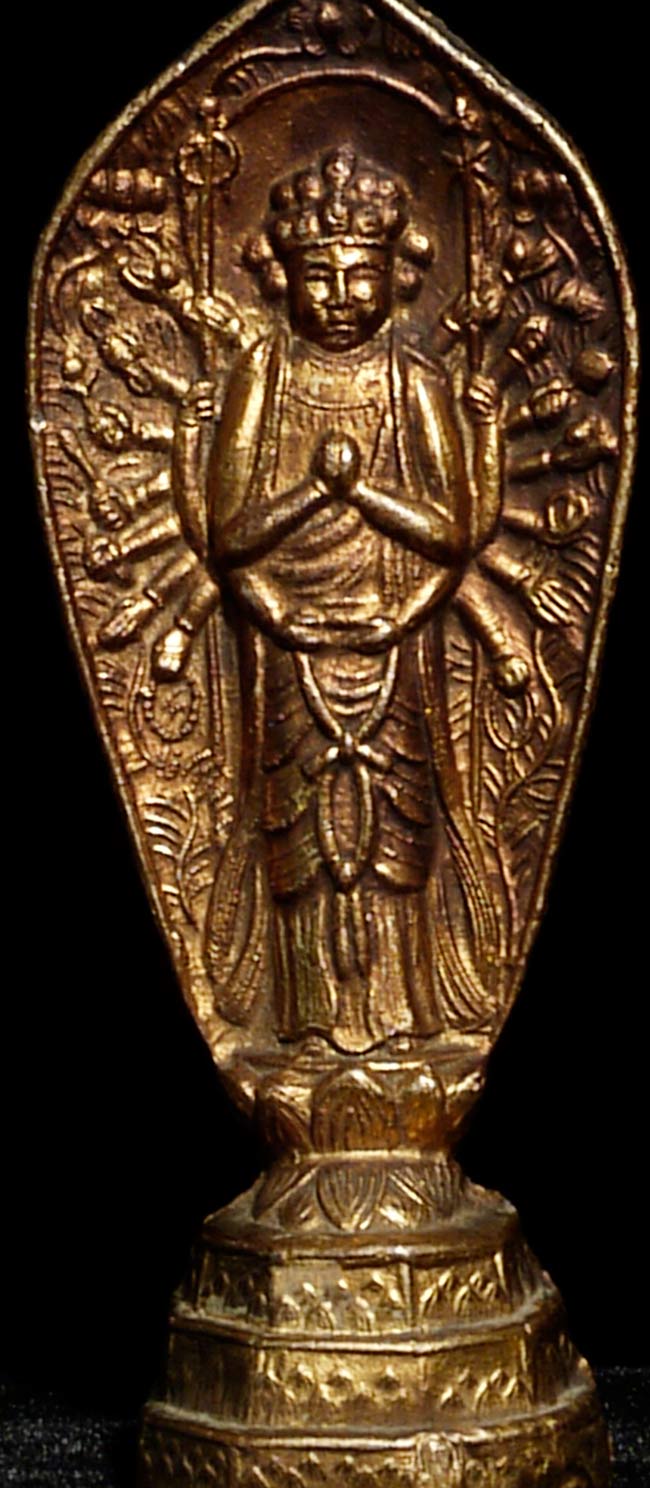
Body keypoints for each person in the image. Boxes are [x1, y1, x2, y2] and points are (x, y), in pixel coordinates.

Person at [195, 145, 503, 1053]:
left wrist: (367, 510)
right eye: (318, 275)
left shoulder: (415, 381)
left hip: (392, 644)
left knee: (397, 839)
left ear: (394, 276)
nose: (338, 294)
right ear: (283, 277)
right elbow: (229, 537)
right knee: (297, 843)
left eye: (358, 273)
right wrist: (292, 576)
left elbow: (451, 532)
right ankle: (304, 1029)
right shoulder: (266, 375)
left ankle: (403, 1025)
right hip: (291, 647)